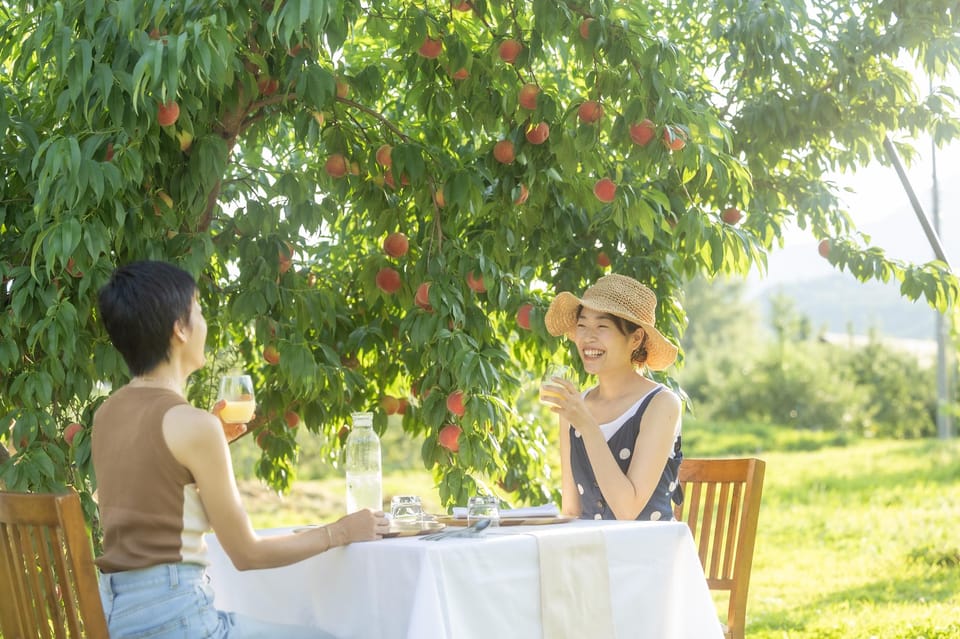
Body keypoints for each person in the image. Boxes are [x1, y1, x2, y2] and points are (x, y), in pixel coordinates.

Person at [92, 260, 389, 638]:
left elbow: (148, 504)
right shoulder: (194, 426)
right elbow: (247, 554)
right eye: (198, 311)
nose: (204, 324)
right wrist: (341, 532)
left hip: (117, 617)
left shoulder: (107, 415)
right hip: (178, 620)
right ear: (179, 330)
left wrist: (205, 451)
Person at [542, 273, 683, 521]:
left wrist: (586, 424)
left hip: (647, 554)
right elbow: (572, 510)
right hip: (591, 553)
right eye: (582, 325)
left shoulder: (661, 403)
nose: (587, 337)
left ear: (636, 338)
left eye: (602, 326)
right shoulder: (575, 406)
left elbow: (627, 510)